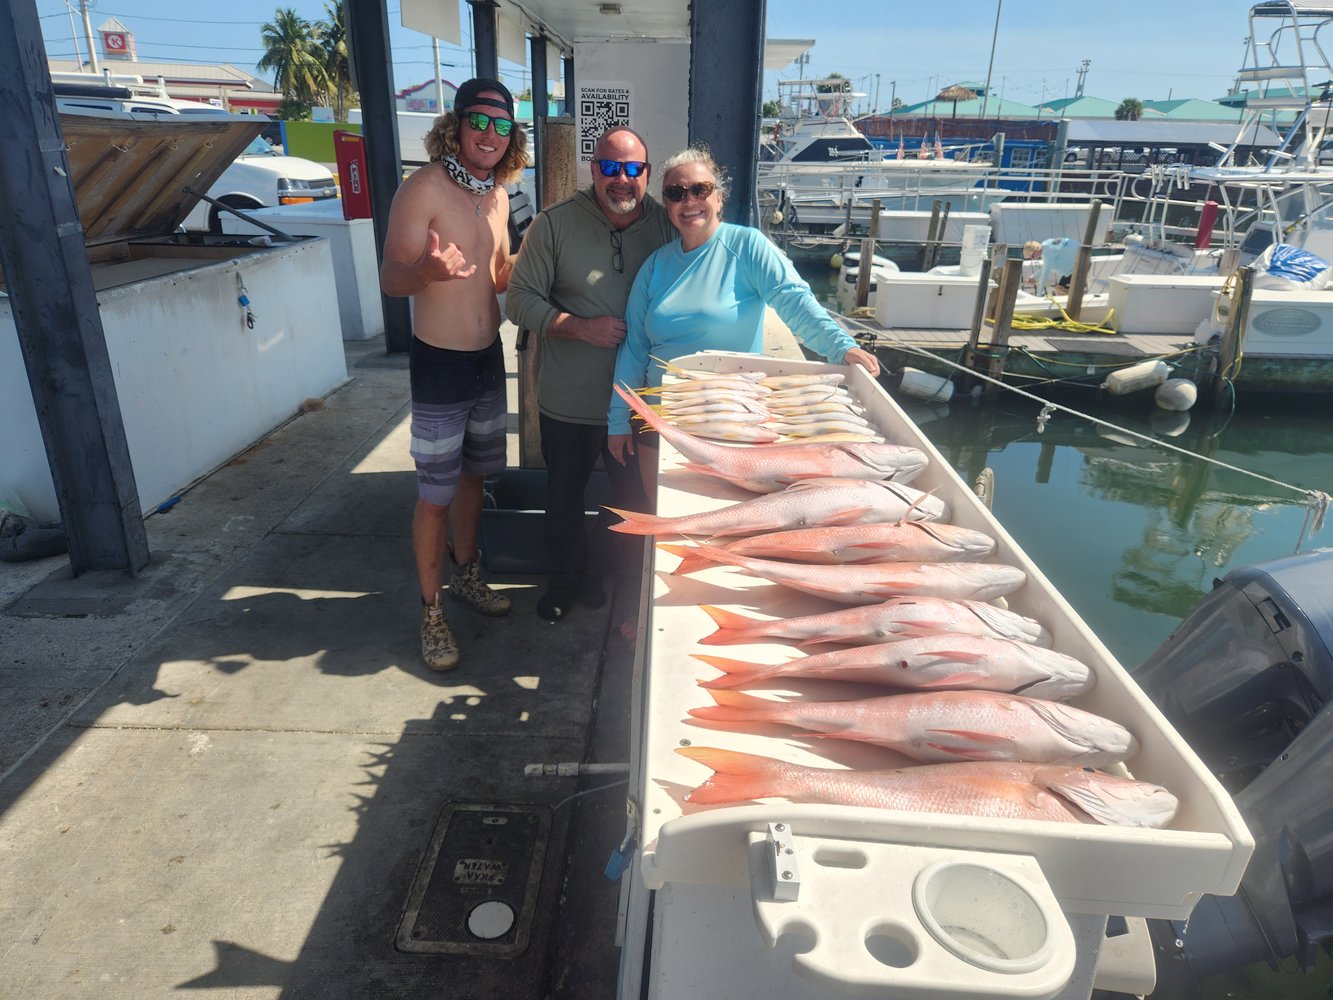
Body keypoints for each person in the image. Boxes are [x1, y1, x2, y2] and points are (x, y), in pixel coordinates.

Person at [606, 143, 881, 496]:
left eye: (699, 190)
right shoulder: (655, 266)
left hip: (732, 422)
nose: (688, 200)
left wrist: (842, 348)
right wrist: (617, 419)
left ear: (718, 198)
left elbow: (794, 301)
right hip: (661, 419)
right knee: (659, 517)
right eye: (676, 193)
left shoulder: (748, 246)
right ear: (668, 207)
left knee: (717, 514)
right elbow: (635, 348)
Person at [379, 78, 528, 671]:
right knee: (434, 495)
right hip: (439, 363)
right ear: (456, 125)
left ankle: (468, 577)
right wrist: (427, 274)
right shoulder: (422, 189)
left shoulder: (497, 195)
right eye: (479, 121)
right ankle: (432, 611)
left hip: (487, 357)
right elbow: (391, 278)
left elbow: (494, 277)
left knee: (474, 481)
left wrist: (531, 254)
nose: (489, 134)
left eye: (501, 125)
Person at [505, 127, 675, 623]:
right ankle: (564, 582)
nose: (620, 180)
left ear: (646, 174)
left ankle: (608, 577)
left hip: (638, 401)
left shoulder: (667, 226)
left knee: (629, 500)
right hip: (570, 401)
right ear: (592, 170)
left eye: (632, 169)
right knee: (564, 499)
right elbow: (519, 300)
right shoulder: (554, 224)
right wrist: (579, 328)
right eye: (609, 168)